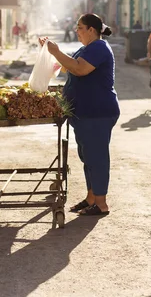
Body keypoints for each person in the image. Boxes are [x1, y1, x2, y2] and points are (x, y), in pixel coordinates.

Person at [39, 13, 120, 216]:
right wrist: (49, 53)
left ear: (91, 30)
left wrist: (56, 51)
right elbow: (68, 66)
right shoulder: (86, 48)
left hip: (97, 112)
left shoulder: (100, 48)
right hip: (84, 113)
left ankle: (101, 204)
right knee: (88, 157)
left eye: (80, 27)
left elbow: (79, 69)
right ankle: (91, 198)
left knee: (97, 157)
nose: (76, 31)